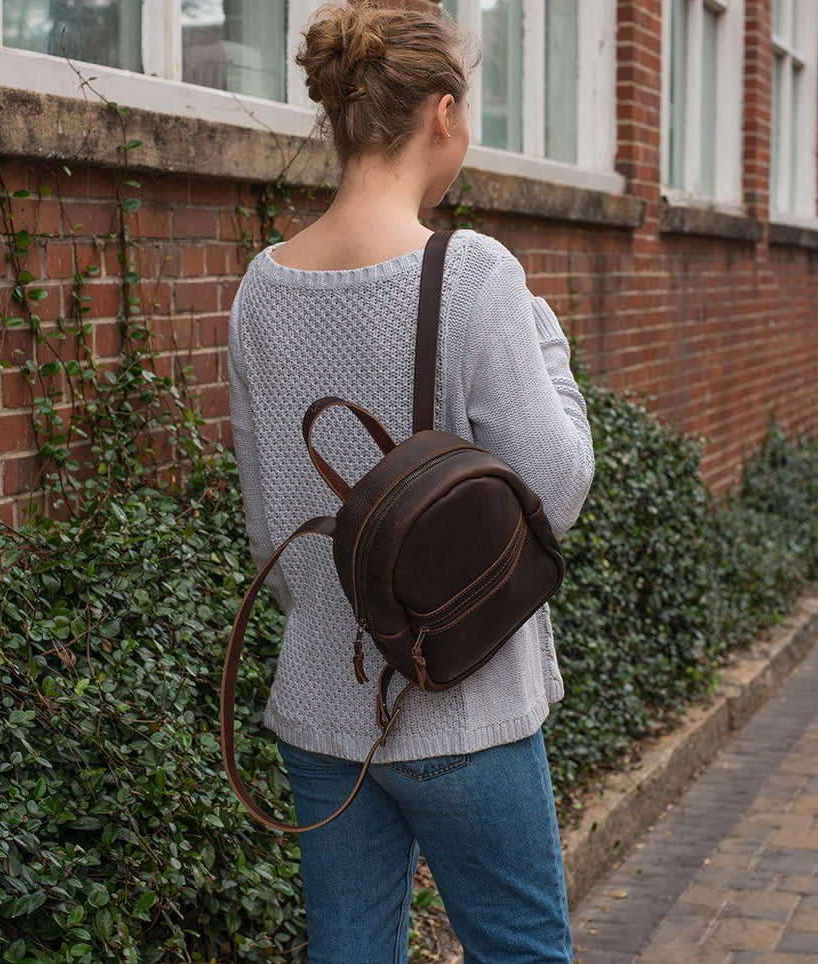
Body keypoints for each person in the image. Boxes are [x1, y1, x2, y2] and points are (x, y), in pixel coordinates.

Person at [225, 1, 596, 960]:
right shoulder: (473, 272)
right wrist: (547, 343)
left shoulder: (261, 287)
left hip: (320, 711)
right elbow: (555, 489)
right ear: (442, 113)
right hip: (460, 706)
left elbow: (270, 534)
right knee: (519, 950)